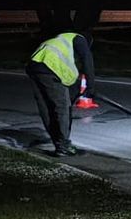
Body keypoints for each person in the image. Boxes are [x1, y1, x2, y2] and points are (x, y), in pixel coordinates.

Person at [27, 27, 96, 155]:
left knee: (47, 107)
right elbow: (87, 59)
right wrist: (90, 86)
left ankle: (58, 143)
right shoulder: (80, 39)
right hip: (50, 69)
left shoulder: (61, 39)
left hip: (34, 67)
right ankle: (63, 146)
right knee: (62, 107)